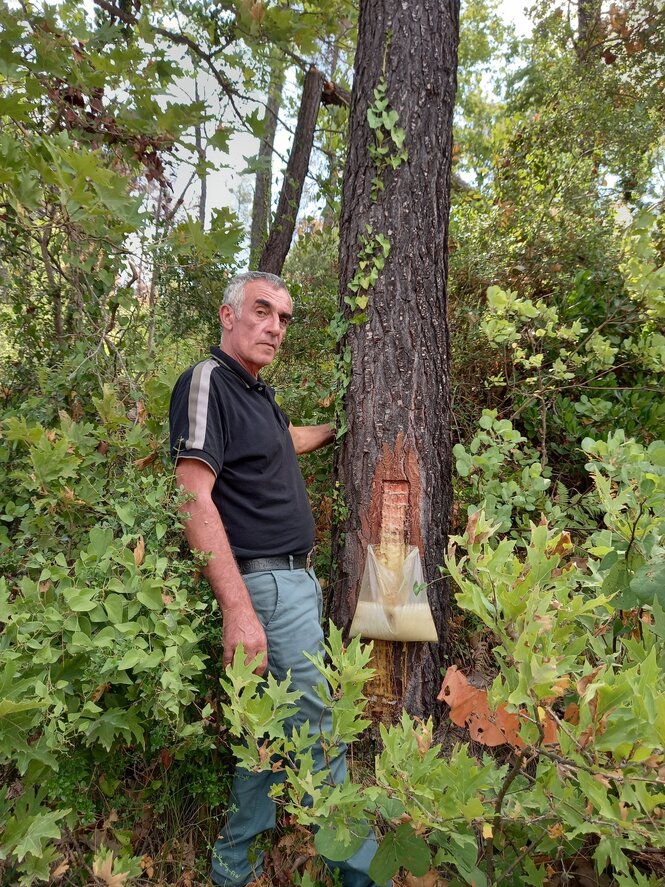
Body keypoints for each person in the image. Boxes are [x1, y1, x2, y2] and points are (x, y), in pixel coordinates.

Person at [169, 271, 381, 887]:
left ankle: (233, 868)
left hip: (293, 586)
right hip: (263, 587)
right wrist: (240, 610)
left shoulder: (258, 395)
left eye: (285, 318)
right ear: (227, 315)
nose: (275, 327)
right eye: (263, 311)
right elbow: (192, 496)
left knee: (261, 738)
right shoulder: (208, 380)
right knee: (321, 728)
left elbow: (284, 439)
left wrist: (346, 429)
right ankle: (362, 873)